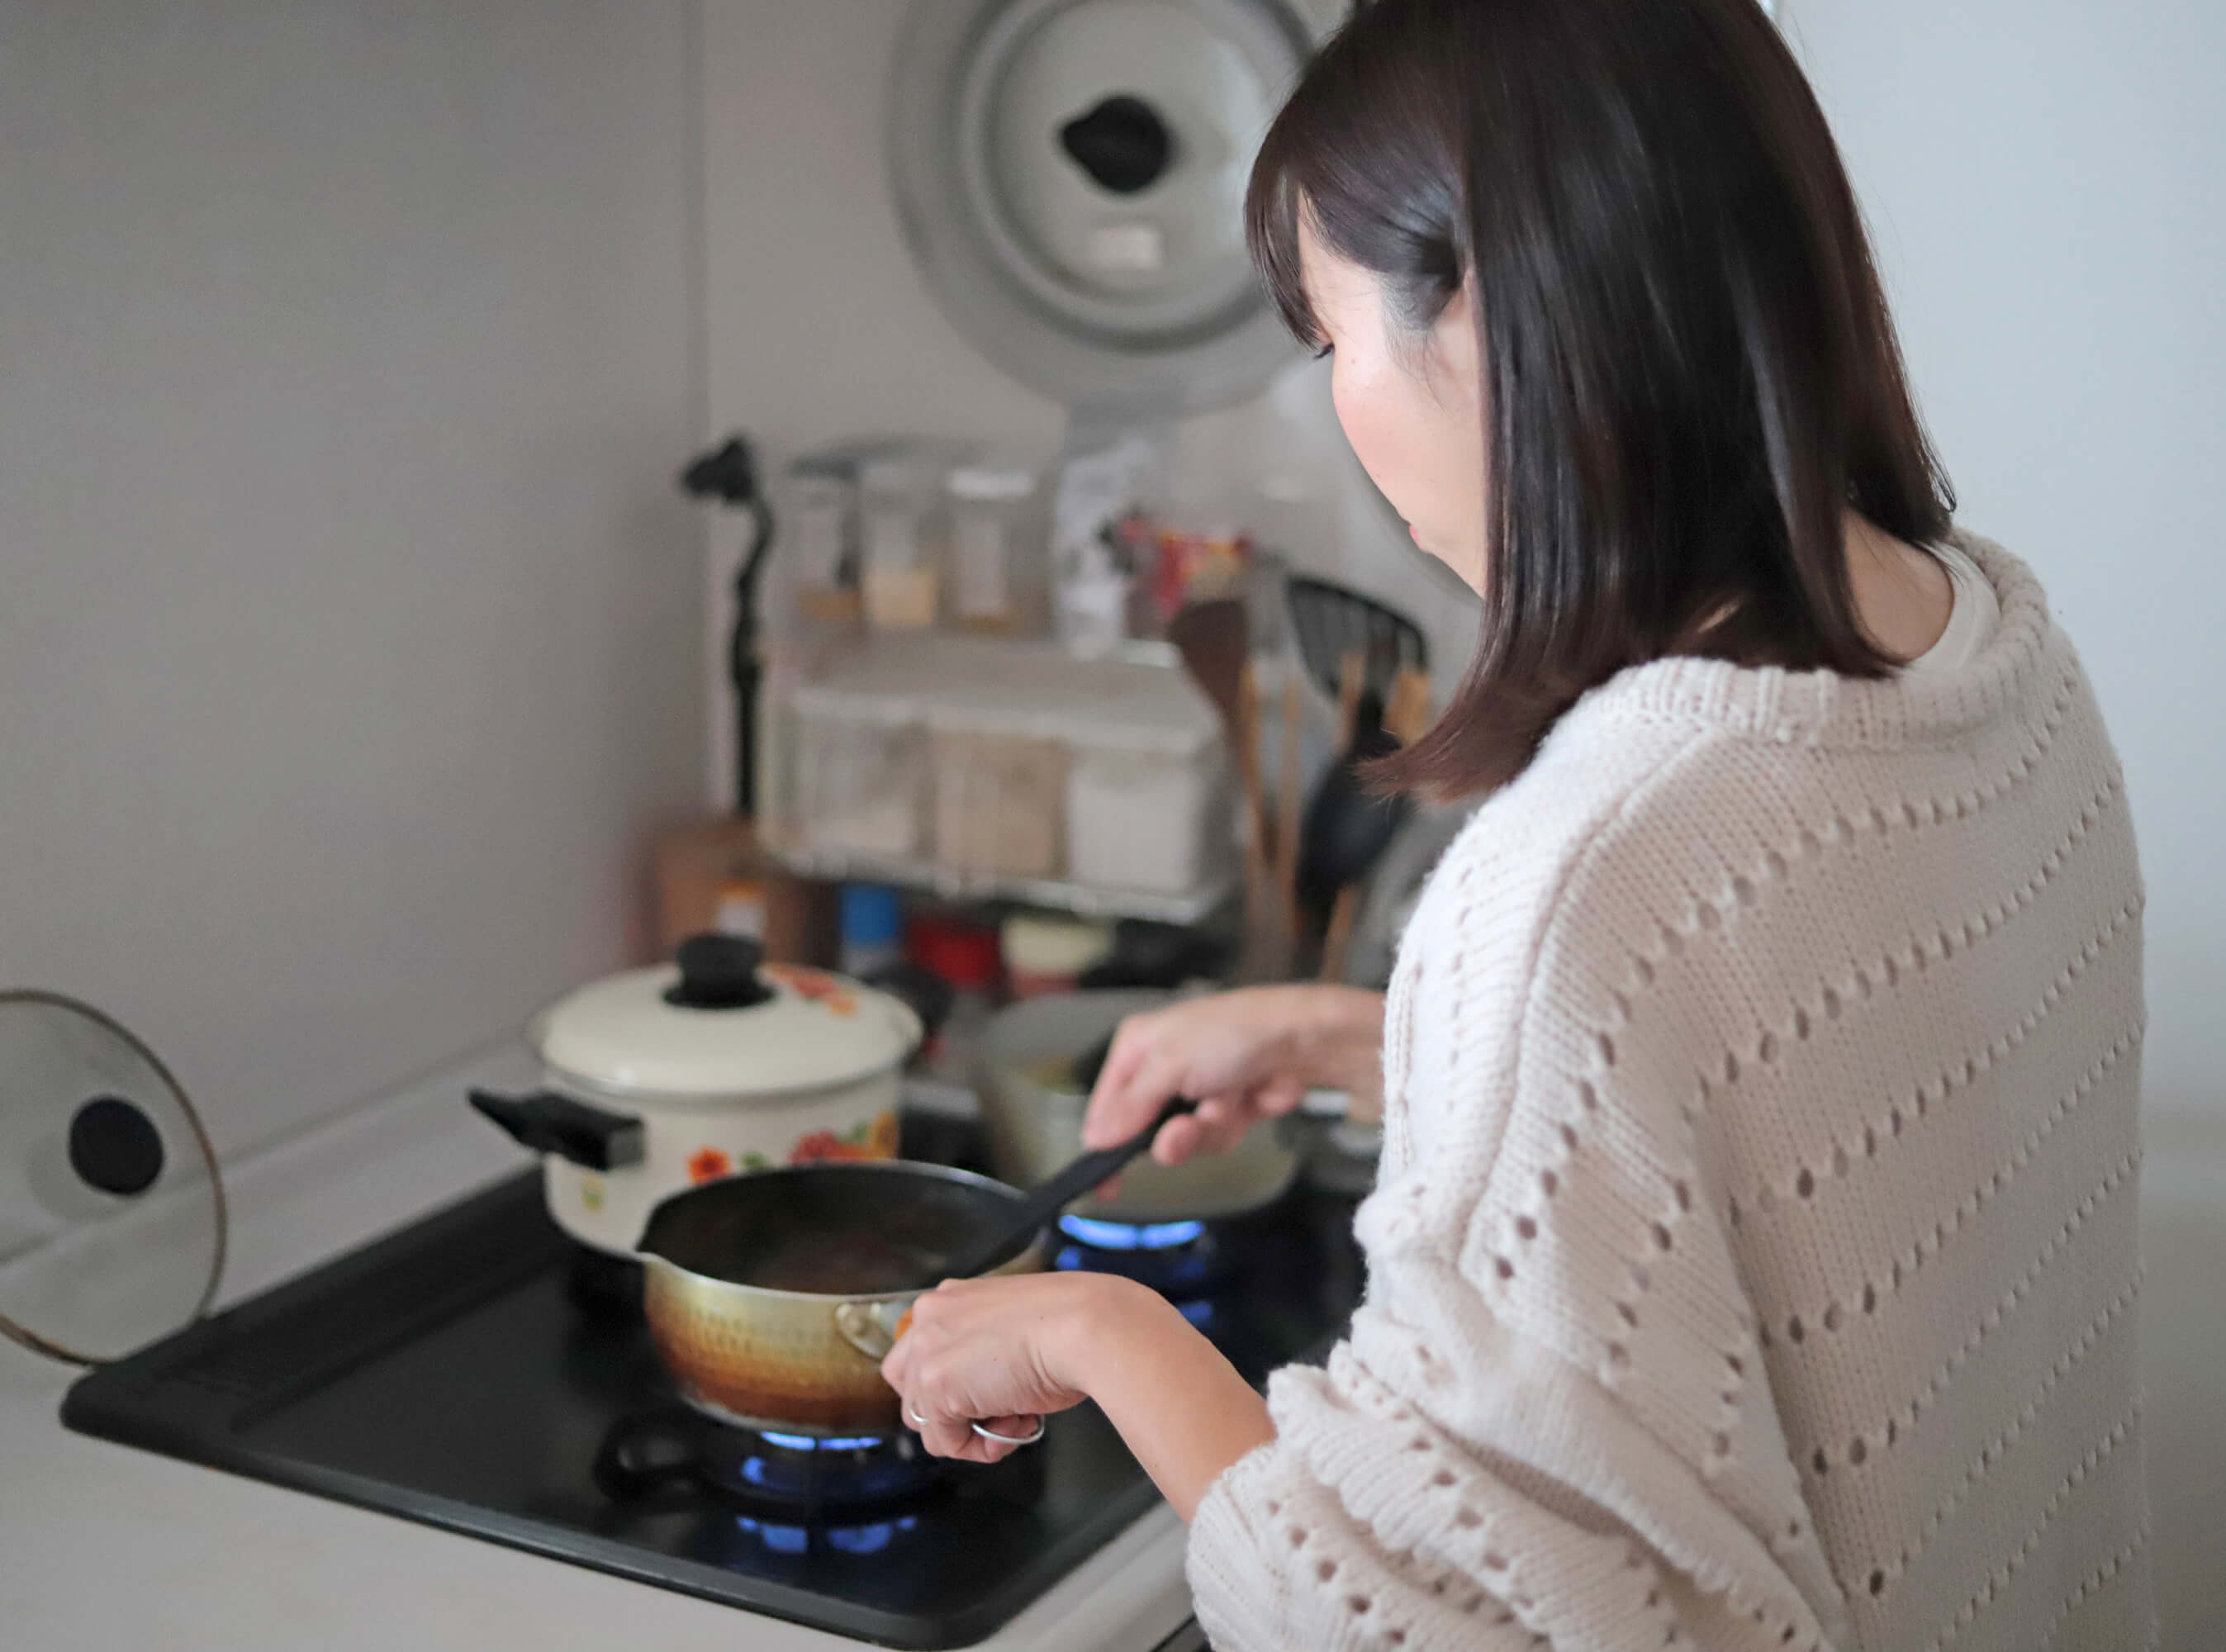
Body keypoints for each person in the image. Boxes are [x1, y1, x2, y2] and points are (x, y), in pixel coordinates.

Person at [879, 0, 2150, 1645]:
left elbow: (1431, 1626)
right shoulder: (1992, 650)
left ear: (1484, 311)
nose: (1340, 403)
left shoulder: (1589, 873)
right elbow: (1812, 1136)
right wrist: (1373, 1042)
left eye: (1330, 338)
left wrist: (1099, 1336)